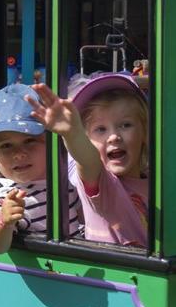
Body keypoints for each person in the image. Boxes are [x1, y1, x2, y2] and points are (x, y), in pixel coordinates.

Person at [29, 73, 149, 246]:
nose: (113, 137)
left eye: (125, 125)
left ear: (144, 131)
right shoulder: (104, 183)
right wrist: (72, 133)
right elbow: (88, 160)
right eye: (101, 129)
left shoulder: (155, 181)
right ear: (87, 139)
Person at [0, 84, 80, 254]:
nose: (19, 154)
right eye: (6, 146)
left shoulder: (60, 183)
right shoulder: (7, 197)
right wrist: (4, 220)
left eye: (29, 141)